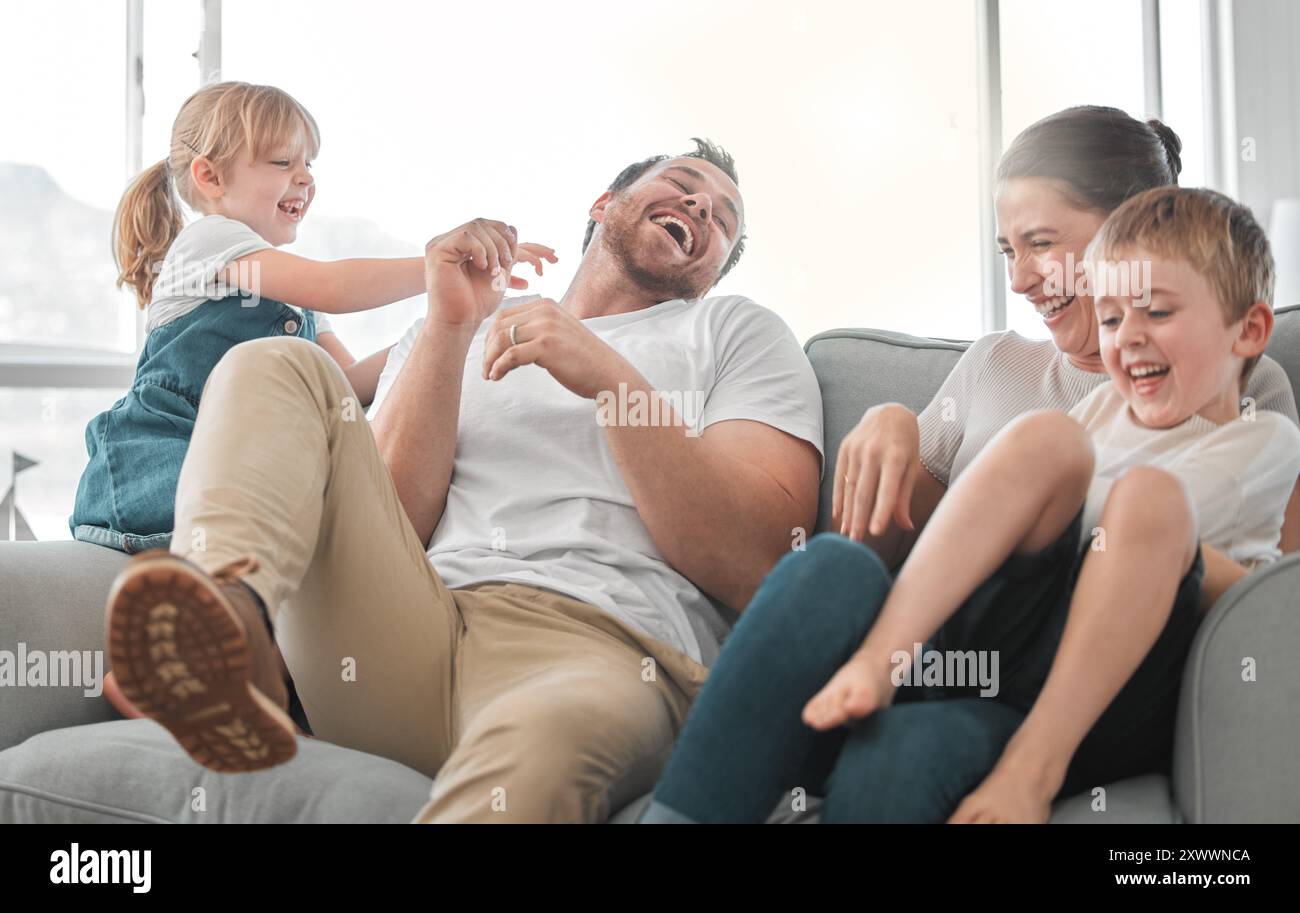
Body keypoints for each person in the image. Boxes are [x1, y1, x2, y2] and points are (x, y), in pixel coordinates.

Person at [102, 139, 826, 824]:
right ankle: (231, 629)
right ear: (605, 203)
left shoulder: (737, 333)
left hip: (600, 650)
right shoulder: (462, 319)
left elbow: (759, 557)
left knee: (543, 748)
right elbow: (392, 519)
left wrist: (609, 378)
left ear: (714, 270)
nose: (702, 208)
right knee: (277, 362)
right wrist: (448, 328)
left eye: (723, 218)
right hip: (406, 630)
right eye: (683, 185)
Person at [642, 109, 1300, 824]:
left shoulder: (1240, 389)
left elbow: (1268, 594)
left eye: (1040, 244)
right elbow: (880, 550)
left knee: (912, 743)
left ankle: (1022, 761)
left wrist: (1070, 523)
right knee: (834, 566)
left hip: (1080, 674)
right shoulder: (998, 369)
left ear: (1124, 229)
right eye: (1006, 251)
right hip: (963, 642)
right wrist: (894, 427)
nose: (1020, 278)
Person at [69, 79, 555, 554]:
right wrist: (440, 267)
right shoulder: (208, 242)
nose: (305, 177)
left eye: (308, 164)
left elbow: (345, 384)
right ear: (210, 177)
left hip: (237, 480)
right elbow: (335, 285)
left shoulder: (292, 302)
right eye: (283, 162)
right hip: (163, 469)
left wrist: (454, 328)